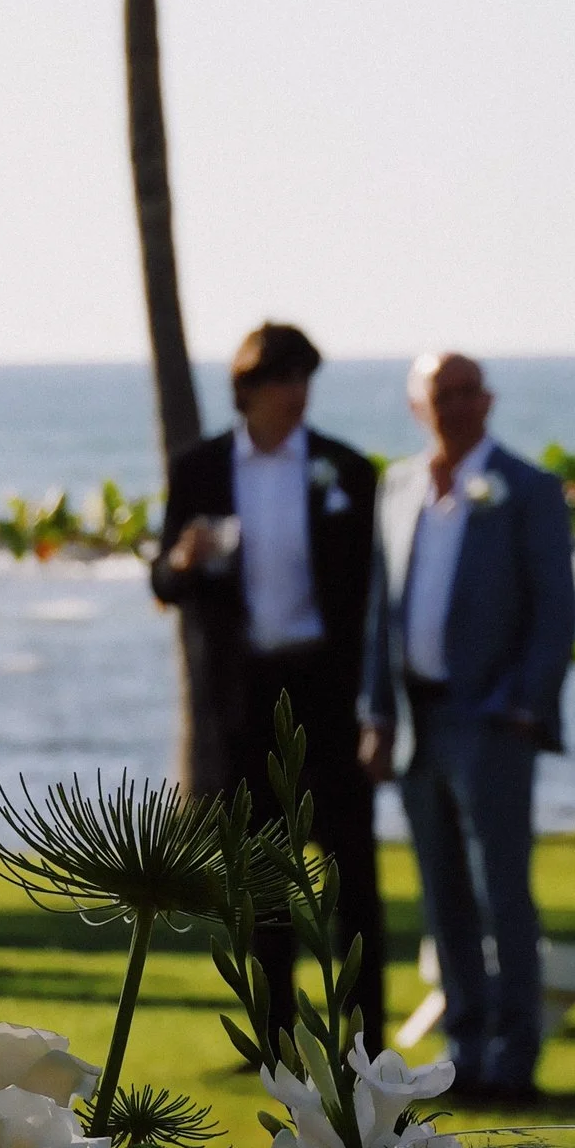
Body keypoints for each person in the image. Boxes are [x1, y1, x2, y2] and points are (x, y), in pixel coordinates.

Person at [150, 320, 386, 1046]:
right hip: (243, 698)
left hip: (328, 692)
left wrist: (375, 703)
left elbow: (375, 594)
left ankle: (365, 1040)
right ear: (247, 388)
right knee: (260, 879)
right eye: (283, 378)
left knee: (350, 874)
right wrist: (184, 561)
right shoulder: (201, 470)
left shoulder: (346, 469)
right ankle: (275, 1039)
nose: (297, 393)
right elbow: (163, 580)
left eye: (305, 378)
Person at [361, 350, 575, 1103]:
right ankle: (464, 1052)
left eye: (465, 392)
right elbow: (381, 612)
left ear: (487, 401)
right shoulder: (398, 487)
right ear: (417, 407)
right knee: (442, 894)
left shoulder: (527, 488)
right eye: (439, 395)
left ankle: (514, 1058)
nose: (453, 406)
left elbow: (555, 610)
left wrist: (525, 704)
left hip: (491, 721)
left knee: (501, 895)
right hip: (416, 719)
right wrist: (376, 714)